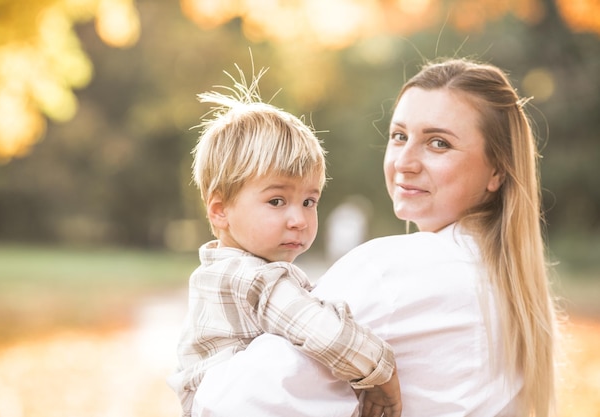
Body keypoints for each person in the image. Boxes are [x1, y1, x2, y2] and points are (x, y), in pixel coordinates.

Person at [191, 58, 559, 417]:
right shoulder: (511, 281)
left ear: (496, 170)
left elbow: (226, 404)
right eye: (399, 136)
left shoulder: (393, 273)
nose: (405, 162)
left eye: (438, 143)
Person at [167, 67, 401, 417]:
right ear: (219, 210)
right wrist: (384, 372)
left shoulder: (220, 269)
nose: (299, 219)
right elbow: (321, 331)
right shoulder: (252, 276)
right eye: (277, 201)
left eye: (309, 201)